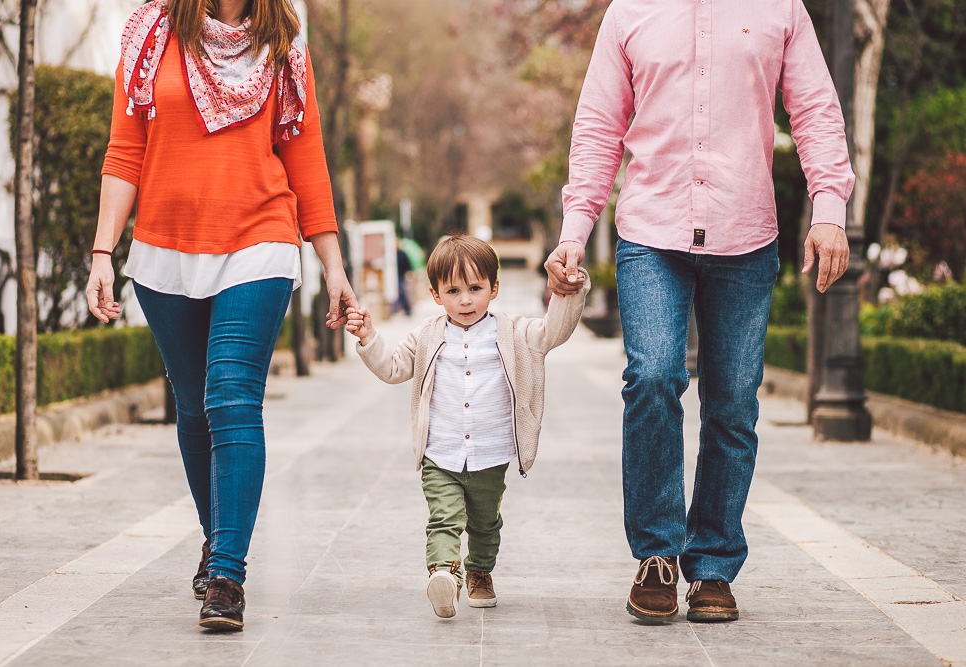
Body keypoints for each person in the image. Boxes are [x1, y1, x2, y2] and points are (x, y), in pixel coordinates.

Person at [545, 0, 854, 623]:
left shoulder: (781, 8)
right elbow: (600, 126)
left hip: (746, 234)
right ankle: (657, 554)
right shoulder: (629, 11)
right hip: (650, 233)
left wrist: (828, 211)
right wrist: (575, 229)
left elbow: (816, 109)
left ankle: (712, 563)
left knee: (734, 403)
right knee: (654, 377)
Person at [84, 0, 358, 632]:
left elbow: (304, 150)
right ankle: (217, 540)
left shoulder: (283, 40)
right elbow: (127, 148)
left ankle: (228, 575)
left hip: (259, 241)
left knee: (232, 397)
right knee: (193, 407)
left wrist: (334, 265)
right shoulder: (153, 33)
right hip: (164, 249)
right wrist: (103, 250)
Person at [345, 235, 589, 618]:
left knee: (485, 524)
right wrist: (367, 337)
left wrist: (568, 292)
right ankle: (444, 575)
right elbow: (393, 368)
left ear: (494, 288)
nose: (465, 300)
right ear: (435, 293)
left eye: (475, 289)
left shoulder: (514, 331)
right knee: (444, 518)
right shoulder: (427, 334)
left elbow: (552, 333)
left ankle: (479, 570)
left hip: (492, 453)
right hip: (439, 453)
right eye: (453, 290)